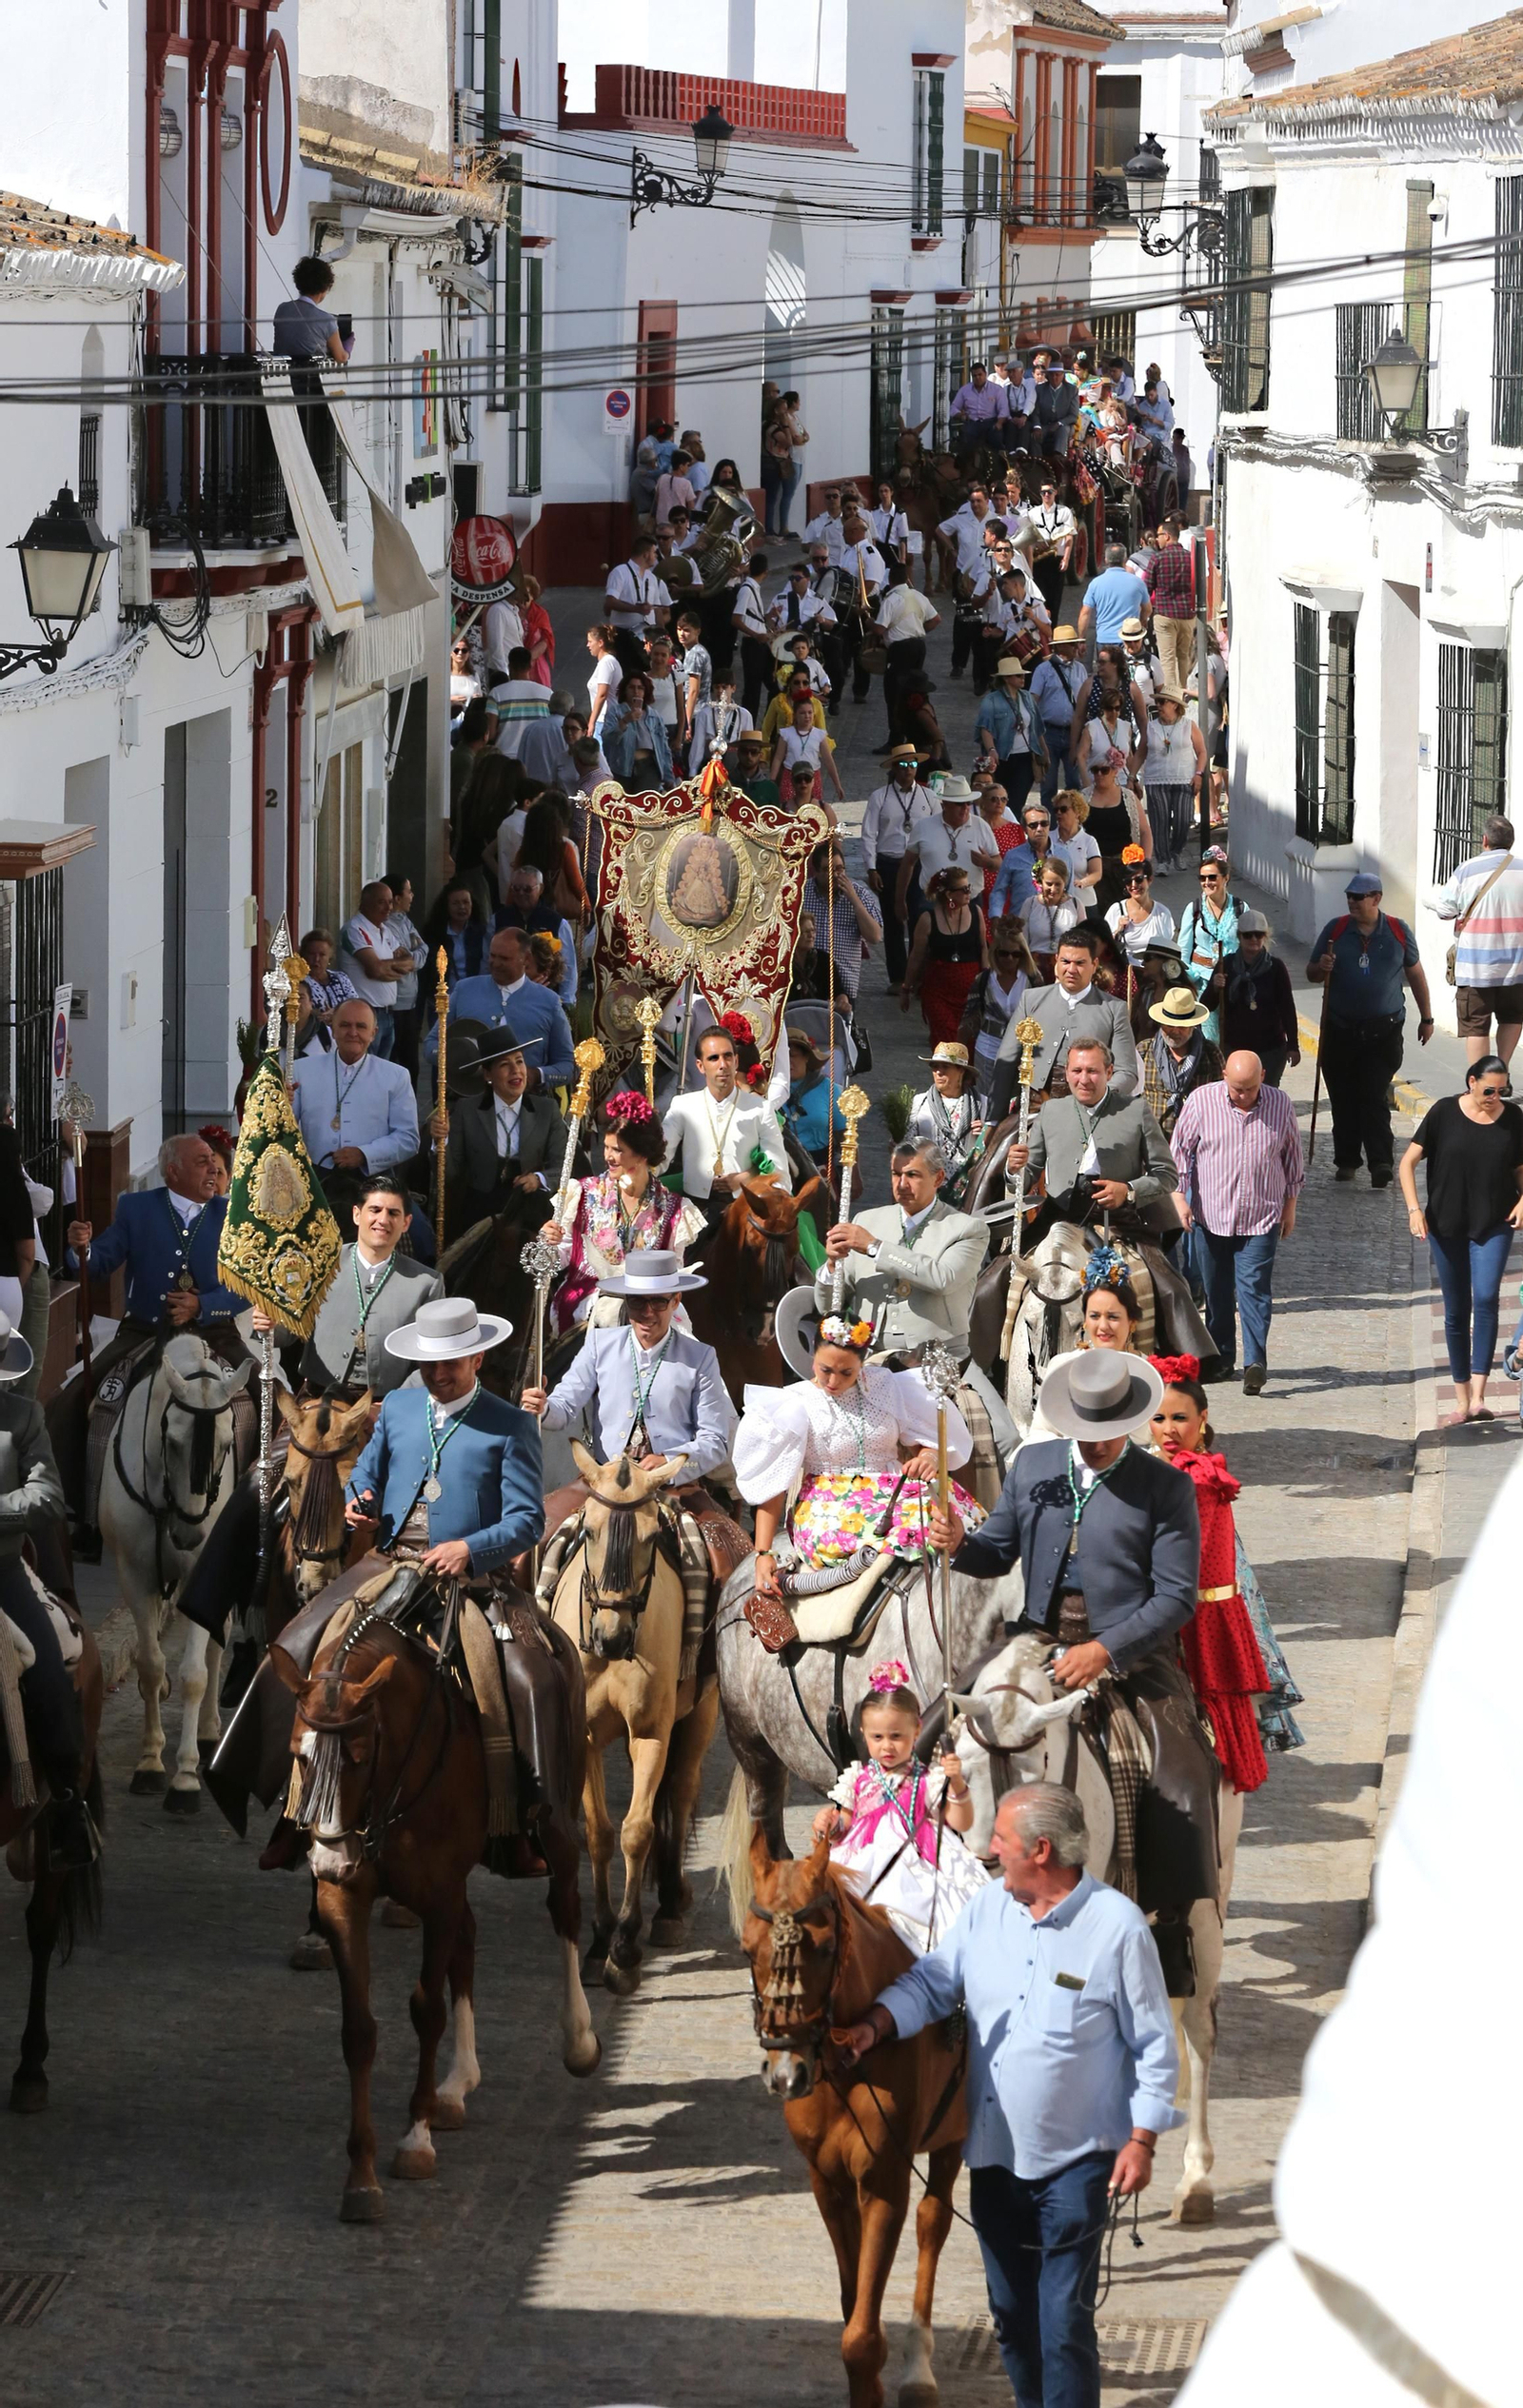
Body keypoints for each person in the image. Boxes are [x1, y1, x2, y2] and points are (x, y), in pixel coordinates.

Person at [841, 1776, 1180, 2408]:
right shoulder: (986, 1910)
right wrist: (877, 2022)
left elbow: (1155, 2045)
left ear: (1041, 1849)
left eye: (1000, 1837)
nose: (989, 1849)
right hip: (995, 2161)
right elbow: (934, 1982)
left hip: (1080, 2163)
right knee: (1011, 2318)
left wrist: (1142, 2139)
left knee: (1062, 2324)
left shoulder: (1117, 1927)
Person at [740, 1313, 984, 1586]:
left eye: (847, 1373)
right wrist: (763, 1552)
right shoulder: (795, 1402)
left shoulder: (888, 1387)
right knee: (911, 1532)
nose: (833, 1382)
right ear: (813, 1356)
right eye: (825, 1370)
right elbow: (775, 1486)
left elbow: (924, 1446)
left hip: (897, 1495)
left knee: (953, 1526)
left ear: (862, 1365)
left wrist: (927, 1457)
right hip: (829, 1505)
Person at [808, 1662, 986, 1955]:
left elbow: (960, 1822)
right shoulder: (858, 1780)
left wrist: (955, 1784)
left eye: (896, 1736)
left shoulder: (927, 1781)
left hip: (915, 1861)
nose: (887, 1746)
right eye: (877, 1738)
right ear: (863, 1733)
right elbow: (845, 1827)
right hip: (862, 1861)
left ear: (916, 1730)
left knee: (932, 1912)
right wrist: (828, 1825)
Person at [0, 1309, 93, 1865]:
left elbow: (48, 1497)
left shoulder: (24, 1416)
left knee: (52, 1672)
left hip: (3, 1573)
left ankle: (66, 1802)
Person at [523, 1251, 736, 1481]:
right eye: (637, 1302)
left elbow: (714, 1441)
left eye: (658, 1302)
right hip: (606, 1480)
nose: (647, 1312)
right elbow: (563, 1407)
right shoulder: (599, 1344)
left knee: (712, 1519)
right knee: (554, 1516)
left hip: (668, 1483)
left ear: (675, 1301)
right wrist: (542, 1407)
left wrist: (669, 1460)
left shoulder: (701, 1357)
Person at [1399, 1056, 1523, 1425]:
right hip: (1446, 1224)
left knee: (1485, 1298)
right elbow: (1408, 1163)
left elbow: (1521, 1169)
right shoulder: (1443, 1113)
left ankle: (1479, 1398)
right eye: (1489, 1090)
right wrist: (1414, 1210)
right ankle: (1460, 1397)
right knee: (1455, 1310)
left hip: (1494, 1223)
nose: (1495, 1097)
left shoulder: (1514, 1120)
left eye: (1504, 1091)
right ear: (1471, 1082)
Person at [1172, 1050, 1304, 1393]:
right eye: (1236, 1089)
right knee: (1216, 1292)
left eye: (1249, 1089)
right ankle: (1221, 1357)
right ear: (1224, 1076)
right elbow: (1180, 1153)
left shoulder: (1280, 1105)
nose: (1242, 1096)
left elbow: (1292, 1157)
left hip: (1261, 1216)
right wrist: (1178, 1198)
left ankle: (1255, 1362)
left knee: (1254, 1288)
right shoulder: (1202, 1102)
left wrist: (1290, 1206)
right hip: (1210, 1215)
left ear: (1262, 1078)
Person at [1308, 870, 1434, 1187]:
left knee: (1373, 1095)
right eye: (1349, 897)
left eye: (1359, 897)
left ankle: (1381, 1162)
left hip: (1384, 1031)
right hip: (1340, 1029)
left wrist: (1427, 1017)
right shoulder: (1335, 930)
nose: (1352, 902)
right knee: (1342, 1097)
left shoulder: (1397, 931)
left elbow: (1416, 974)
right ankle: (1347, 1161)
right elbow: (1311, 972)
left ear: (1376, 898)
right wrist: (1320, 967)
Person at [819, 1137, 990, 1364]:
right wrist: (832, 1265)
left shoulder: (967, 1228)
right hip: (871, 1359)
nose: (901, 1185)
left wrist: (875, 1247)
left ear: (938, 1178)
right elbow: (829, 1307)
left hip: (938, 1361)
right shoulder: (866, 1221)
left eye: (912, 1175)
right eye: (896, 1174)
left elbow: (943, 1279)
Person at [283, 1174, 444, 1400]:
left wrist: (393, 1407)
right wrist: (269, 1320)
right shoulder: (321, 1263)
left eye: (393, 1213)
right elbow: (285, 1335)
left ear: (406, 1222)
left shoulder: (427, 1283)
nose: (383, 1220)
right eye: (375, 1210)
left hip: (386, 1405)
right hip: (319, 1401)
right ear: (357, 1214)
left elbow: (431, 1360)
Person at [1007, 1036, 1177, 1234]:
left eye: (1093, 1071)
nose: (1084, 1080)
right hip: (1057, 1218)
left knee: (1154, 1266)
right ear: (1067, 1074)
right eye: (1077, 1071)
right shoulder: (1050, 1111)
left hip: (1118, 1220)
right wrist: (1014, 1169)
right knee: (1009, 1264)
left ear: (1109, 1072)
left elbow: (1167, 1175)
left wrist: (1128, 1190)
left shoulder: (1136, 1111)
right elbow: (1028, 1173)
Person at [986, 924, 1139, 1115]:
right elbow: (1005, 1062)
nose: (1071, 970)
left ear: (1094, 964)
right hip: (1033, 1107)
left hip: (1090, 1110)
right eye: (1066, 961)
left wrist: (1099, 1097)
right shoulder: (1031, 1000)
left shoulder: (1114, 1008)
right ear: (1056, 961)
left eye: (1080, 963)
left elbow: (1127, 1072)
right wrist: (993, 1118)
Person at [429, 1025, 565, 1234]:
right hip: (480, 1210)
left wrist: (538, 1179)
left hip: (531, 1209)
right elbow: (450, 1172)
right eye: (505, 1065)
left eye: (519, 1061)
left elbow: (563, 1166)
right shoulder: (467, 1110)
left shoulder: (547, 1110)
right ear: (487, 1074)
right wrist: (441, 1140)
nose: (516, 1071)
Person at [662, 1025, 793, 1225]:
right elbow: (660, 1156)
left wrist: (745, 1179)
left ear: (736, 1061)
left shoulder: (761, 1109)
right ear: (700, 1066)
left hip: (745, 1214)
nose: (722, 1064)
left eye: (728, 1056)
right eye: (713, 1058)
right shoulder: (682, 1105)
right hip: (694, 1213)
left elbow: (781, 1176)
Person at [1428, 813, 1523, 1065]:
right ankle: (1501, 1072)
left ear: (1484, 840)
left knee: (1476, 1025)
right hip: (1516, 965)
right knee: (1512, 1017)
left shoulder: (1466, 870)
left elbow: (1445, 911)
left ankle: (1481, 1083)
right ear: (1511, 841)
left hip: (1475, 965)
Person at [290, 997, 419, 1179]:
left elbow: (408, 1139)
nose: (353, 1033)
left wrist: (364, 1154)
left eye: (361, 1026)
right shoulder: (301, 1070)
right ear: (333, 1030)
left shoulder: (396, 1076)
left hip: (373, 1179)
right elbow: (286, 1128)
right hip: (316, 1179)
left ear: (373, 1033)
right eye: (344, 1025)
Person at [438, 925, 576, 1093]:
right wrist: (457, 1056)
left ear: (526, 959)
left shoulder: (550, 1001)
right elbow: (432, 1044)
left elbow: (568, 1066)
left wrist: (537, 1075)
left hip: (528, 1106)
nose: (495, 963)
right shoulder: (464, 990)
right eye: (492, 956)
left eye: (504, 958)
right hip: (468, 1105)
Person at [860, 743, 936, 988]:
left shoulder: (929, 797)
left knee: (920, 918)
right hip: (889, 863)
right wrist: (871, 868)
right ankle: (897, 977)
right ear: (894, 768)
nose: (908, 769)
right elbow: (869, 834)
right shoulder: (879, 797)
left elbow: (937, 831)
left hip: (920, 865)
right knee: (893, 922)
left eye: (913, 764)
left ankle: (915, 976)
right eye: (903, 765)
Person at [895, 776, 1002, 938]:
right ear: (944, 804)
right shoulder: (924, 827)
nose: (965, 808)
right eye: (959, 804)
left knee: (971, 954)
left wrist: (988, 862)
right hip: (932, 901)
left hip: (969, 901)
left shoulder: (980, 826)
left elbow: (999, 863)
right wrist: (900, 899)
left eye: (968, 803)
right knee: (925, 952)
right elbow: (908, 863)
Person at [903, 868, 988, 1047]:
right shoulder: (928, 919)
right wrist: (907, 987)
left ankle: (964, 1076)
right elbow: (916, 957)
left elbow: (983, 948)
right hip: (939, 992)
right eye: (963, 889)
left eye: (969, 887)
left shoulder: (976, 912)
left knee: (969, 1044)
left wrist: (987, 980)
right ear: (949, 894)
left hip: (970, 992)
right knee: (945, 1042)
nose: (969, 893)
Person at [1218, 910, 1298, 1088]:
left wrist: (1293, 1044)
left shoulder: (1276, 967)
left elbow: (1287, 1007)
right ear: (1239, 937)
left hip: (1270, 1049)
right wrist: (1216, 986)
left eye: (1259, 935)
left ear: (1265, 936)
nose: (1254, 939)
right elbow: (1208, 1004)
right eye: (1248, 935)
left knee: (1267, 1095)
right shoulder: (1227, 965)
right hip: (1235, 1047)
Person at [959, 920, 1039, 1093]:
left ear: (1023, 954)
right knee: (987, 1099)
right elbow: (969, 1017)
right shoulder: (983, 980)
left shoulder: (1034, 980)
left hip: (1023, 1050)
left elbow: (1043, 1017)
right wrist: (960, 1057)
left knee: (1017, 1101)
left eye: (1015, 954)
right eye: (1004, 953)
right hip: (988, 1045)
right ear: (995, 953)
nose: (1009, 958)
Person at [1175, 845, 1242, 1045]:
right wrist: (1187, 982)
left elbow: (1247, 945)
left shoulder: (1240, 908)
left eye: (1212, 877)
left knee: (1233, 1037)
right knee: (1208, 1040)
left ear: (1225, 878)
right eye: (1202, 878)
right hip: (1201, 983)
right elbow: (1183, 950)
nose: (1207, 882)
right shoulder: (1193, 909)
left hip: (1233, 984)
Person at [1141, 984, 1223, 1143]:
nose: (1175, 1031)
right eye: (1169, 1025)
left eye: (1182, 1026)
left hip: (1197, 1141)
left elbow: (1222, 1098)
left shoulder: (1210, 1054)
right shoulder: (1144, 1051)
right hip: (1153, 1142)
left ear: (1193, 1024)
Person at [339, 878, 407, 1058]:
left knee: (380, 1072)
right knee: (363, 1067)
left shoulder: (386, 931)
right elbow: (374, 969)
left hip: (388, 1013)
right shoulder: (354, 929)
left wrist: (384, 968)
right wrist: (388, 969)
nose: (388, 907)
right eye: (381, 902)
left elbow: (409, 962)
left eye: (390, 902)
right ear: (365, 903)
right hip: (365, 1013)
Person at [974, 658, 1049, 820]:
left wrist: (1044, 752)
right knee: (997, 801)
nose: (1023, 678)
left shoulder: (1027, 697)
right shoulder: (991, 700)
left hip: (1025, 758)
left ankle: (1011, 835)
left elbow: (1037, 728)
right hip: (1001, 759)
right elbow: (985, 728)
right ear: (1006, 678)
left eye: (1022, 675)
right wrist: (991, 750)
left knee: (1015, 803)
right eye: (1018, 675)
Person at [1142, 689, 1206, 876]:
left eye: (1163, 702)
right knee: (1159, 821)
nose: (1159, 706)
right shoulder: (1151, 727)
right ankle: (1163, 860)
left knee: (1183, 820)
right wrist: (1131, 776)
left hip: (1184, 779)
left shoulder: (1188, 725)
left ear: (1175, 705)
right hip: (1156, 779)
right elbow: (1141, 752)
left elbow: (1201, 751)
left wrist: (1199, 774)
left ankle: (1176, 851)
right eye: (1158, 702)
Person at [874, 561, 940, 739]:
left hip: (900, 650)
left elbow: (879, 629)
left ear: (890, 579)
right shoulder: (918, 595)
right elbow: (936, 619)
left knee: (894, 692)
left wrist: (868, 622)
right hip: (919, 646)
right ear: (907, 578)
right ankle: (914, 730)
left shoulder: (891, 599)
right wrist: (916, 630)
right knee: (915, 688)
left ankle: (896, 738)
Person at [906, 1040, 985, 1187]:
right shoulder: (920, 1102)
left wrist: (985, 1134)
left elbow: (994, 1148)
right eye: (935, 1067)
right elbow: (907, 1145)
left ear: (961, 1071)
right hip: (928, 1181)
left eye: (945, 1067)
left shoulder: (982, 1104)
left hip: (967, 1183)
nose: (939, 1072)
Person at [1143, 516, 1197, 697]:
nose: (1156, 539)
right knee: (1184, 657)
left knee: (1167, 658)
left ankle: (1172, 697)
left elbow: (1147, 588)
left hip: (1165, 614)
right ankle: (1183, 693)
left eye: (1159, 535)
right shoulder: (1191, 558)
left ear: (1167, 536)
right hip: (1188, 615)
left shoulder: (1157, 559)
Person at [383, 870, 426, 1077]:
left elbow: (424, 950)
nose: (412, 896)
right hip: (394, 1005)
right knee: (393, 1065)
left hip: (411, 1004)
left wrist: (411, 957)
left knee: (412, 1066)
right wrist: (412, 956)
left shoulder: (406, 921)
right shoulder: (385, 926)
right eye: (409, 892)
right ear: (397, 898)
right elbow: (398, 963)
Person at [601, 670, 674, 794]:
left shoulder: (654, 716)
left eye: (640, 688)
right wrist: (625, 721)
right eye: (632, 687)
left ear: (646, 692)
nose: (636, 691)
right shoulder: (615, 712)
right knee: (625, 806)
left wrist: (668, 776)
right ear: (625, 690)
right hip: (622, 767)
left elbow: (663, 748)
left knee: (644, 805)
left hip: (649, 767)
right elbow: (607, 738)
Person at [603, 534, 664, 677]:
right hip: (623, 635)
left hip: (647, 635)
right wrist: (637, 609)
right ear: (646, 554)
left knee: (646, 676)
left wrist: (663, 636)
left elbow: (657, 610)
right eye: (654, 552)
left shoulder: (652, 578)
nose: (656, 556)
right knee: (626, 676)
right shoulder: (620, 572)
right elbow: (610, 601)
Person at [781, 1027, 844, 1163]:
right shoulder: (768, 1089)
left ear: (806, 1057)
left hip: (820, 1167)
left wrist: (855, 1180)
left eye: (792, 1055)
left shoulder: (827, 1088)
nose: (787, 1061)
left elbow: (844, 1136)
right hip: (780, 1165)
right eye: (782, 1057)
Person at [772, 693, 844, 805]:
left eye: (810, 712)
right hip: (791, 777)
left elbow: (828, 760)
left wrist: (837, 785)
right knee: (790, 810)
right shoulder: (786, 734)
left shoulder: (819, 735)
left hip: (812, 777)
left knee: (812, 812)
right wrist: (772, 781)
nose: (807, 716)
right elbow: (778, 758)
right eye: (802, 713)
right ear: (795, 715)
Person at [1078, 543, 1151, 650]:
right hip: (1129, 639)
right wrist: (1140, 622)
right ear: (1125, 560)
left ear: (1106, 560)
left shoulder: (1096, 583)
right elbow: (1147, 609)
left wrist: (1082, 639)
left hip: (1104, 639)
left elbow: (1085, 613)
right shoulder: (1138, 583)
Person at [1106, 859, 1175, 971]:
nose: (1133, 885)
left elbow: (1168, 950)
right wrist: (1118, 931)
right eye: (1128, 881)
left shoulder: (1162, 913)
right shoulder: (1116, 910)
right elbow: (1104, 947)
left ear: (1150, 880)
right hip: (1126, 975)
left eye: (1139, 879)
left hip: (1155, 974)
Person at [1052, 790, 1102, 912]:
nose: (1059, 813)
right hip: (1055, 905)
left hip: (1084, 904)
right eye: (1056, 810)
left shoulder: (1088, 841)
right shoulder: (1049, 838)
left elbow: (1096, 873)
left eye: (1063, 809)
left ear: (1077, 813)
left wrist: (1083, 882)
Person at [948, 363, 1009, 459]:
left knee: (998, 445)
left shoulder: (997, 390)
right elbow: (953, 408)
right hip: (972, 422)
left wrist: (999, 423)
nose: (977, 378)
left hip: (991, 423)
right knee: (963, 448)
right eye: (974, 375)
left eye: (980, 374)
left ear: (985, 374)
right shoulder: (965, 390)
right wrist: (961, 416)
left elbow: (1004, 410)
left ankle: (1006, 468)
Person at [1032, 357, 1080, 457]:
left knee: (1063, 430)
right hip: (1045, 425)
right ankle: (1038, 461)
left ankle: (1059, 458)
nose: (1054, 378)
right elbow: (1035, 412)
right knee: (1033, 435)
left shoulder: (1071, 390)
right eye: (1052, 375)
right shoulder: (1039, 389)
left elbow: (1073, 416)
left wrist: (1059, 423)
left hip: (1063, 425)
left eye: (1057, 375)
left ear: (1063, 375)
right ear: (1048, 376)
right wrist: (1037, 426)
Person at [584, 623, 623, 739]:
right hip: (604, 719)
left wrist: (591, 722)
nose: (588, 645)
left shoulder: (607, 662)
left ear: (600, 643)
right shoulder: (605, 662)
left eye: (590, 641)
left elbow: (602, 694)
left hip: (605, 719)